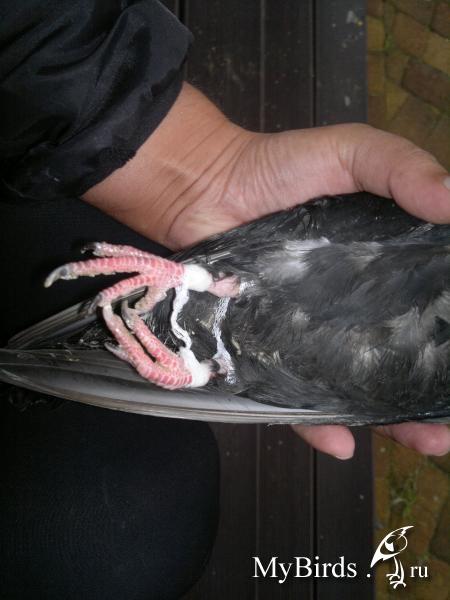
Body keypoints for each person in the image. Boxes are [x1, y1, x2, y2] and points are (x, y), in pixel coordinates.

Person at [0, 1, 449, 598]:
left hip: (211, 294)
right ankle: (197, 350)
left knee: (114, 553)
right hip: (212, 264)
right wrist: (202, 173)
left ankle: (200, 356)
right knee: (112, 545)